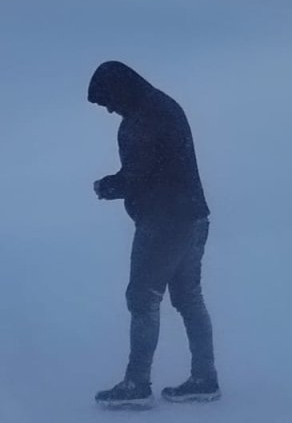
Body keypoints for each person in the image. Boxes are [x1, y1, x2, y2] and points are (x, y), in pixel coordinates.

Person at [87, 61, 220, 409]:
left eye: (107, 101)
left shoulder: (142, 120)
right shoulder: (163, 104)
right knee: (189, 297)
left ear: (119, 90)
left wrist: (107, 186)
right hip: (193, 216)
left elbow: (139, 175)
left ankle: (137, 383)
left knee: (142, 297)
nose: (109, 108)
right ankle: (205, 378)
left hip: (165, 222)